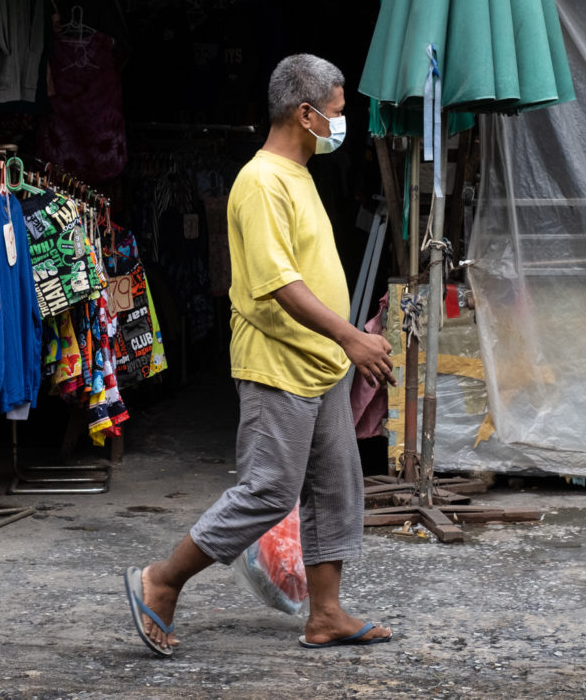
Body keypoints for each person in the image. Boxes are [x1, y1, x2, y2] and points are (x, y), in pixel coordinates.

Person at [124, 53, 396, 656]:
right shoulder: (261, 181)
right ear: (305, 113)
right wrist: (352, 335)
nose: (339, 124)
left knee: (336, 488)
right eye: (336, 113)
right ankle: (162, 580)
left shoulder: (296, 175)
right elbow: (279, 285)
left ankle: (325, 615)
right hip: (279, 364)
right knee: (268, 492)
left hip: (318, 364)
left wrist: (340, 345)